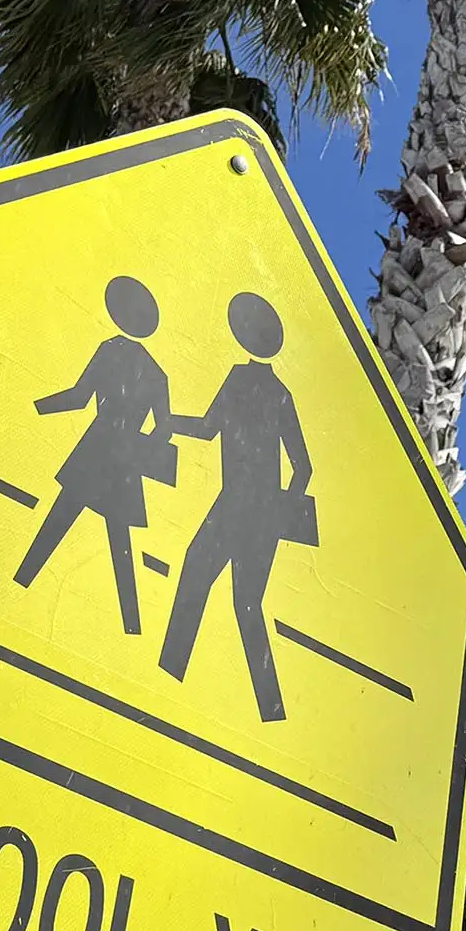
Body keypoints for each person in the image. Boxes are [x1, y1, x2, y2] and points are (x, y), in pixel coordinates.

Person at [158, 292, 316, 723]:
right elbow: (302, 468)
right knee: (243, 603)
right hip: (257, 511)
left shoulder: (242, 381)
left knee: (199, 578)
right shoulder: (280, 392)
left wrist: (167, 421)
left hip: (237, 506)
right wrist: (279, 512)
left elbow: (208, 429)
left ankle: (169, 672)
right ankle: (270, 710)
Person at [15, 275, 179, 635]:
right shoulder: (157, 373)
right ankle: (132, 626)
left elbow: (78, 397)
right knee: (118, 541)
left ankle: (20, 583)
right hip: (124, 461)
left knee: (60, 520)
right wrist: (139, 447)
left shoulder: (110, 350)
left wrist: (34, 406)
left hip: (96, 450)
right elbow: (164, 429)